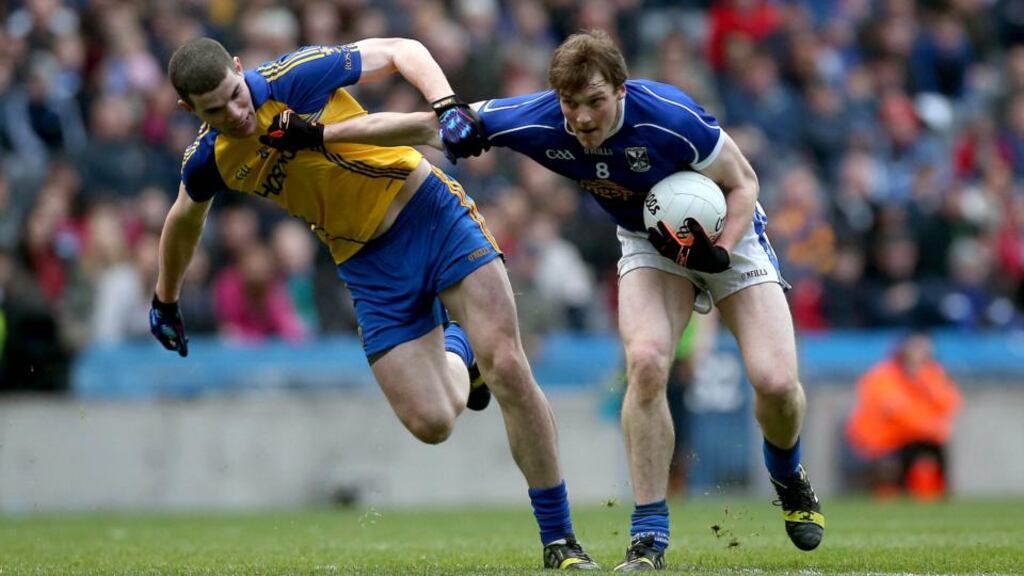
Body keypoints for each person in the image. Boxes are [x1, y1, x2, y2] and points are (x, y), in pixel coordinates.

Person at [150, 37, 598, 571]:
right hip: (366, 265)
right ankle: (461, 350)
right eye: (214, 111)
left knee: (508, 366)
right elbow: (183, 219)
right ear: (189, 111)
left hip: (431, 214)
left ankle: (560, 541)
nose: (235, 113)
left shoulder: (295, 77)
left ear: (239, 70)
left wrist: (446, 105)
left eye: (233, 96)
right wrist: (166, 298)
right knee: (431, 422)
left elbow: (400, 49)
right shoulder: (211, 159)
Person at [441, 29, 825, 570]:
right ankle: (648, 536)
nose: (582, 118)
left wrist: (719, 248)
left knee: (778, 384)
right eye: (571, 105)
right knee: (645, 363)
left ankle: (788, 474)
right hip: (649, 241)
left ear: (621, 90)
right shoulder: (543, 118)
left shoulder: (673, 116)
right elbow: (460, 117)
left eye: (595, 102)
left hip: (728, 239)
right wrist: (430, 124)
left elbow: (744, 182)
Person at [846, 332, 962, 499]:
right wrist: (927, 426)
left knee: (935, 450)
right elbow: (895, 410)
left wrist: (925, 384)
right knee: (896, 462)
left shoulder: (931, 375)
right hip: (883, 439)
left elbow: (949, 403)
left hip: (914, 437)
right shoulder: (882, 375)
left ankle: (939, 495)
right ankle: (891, 495)